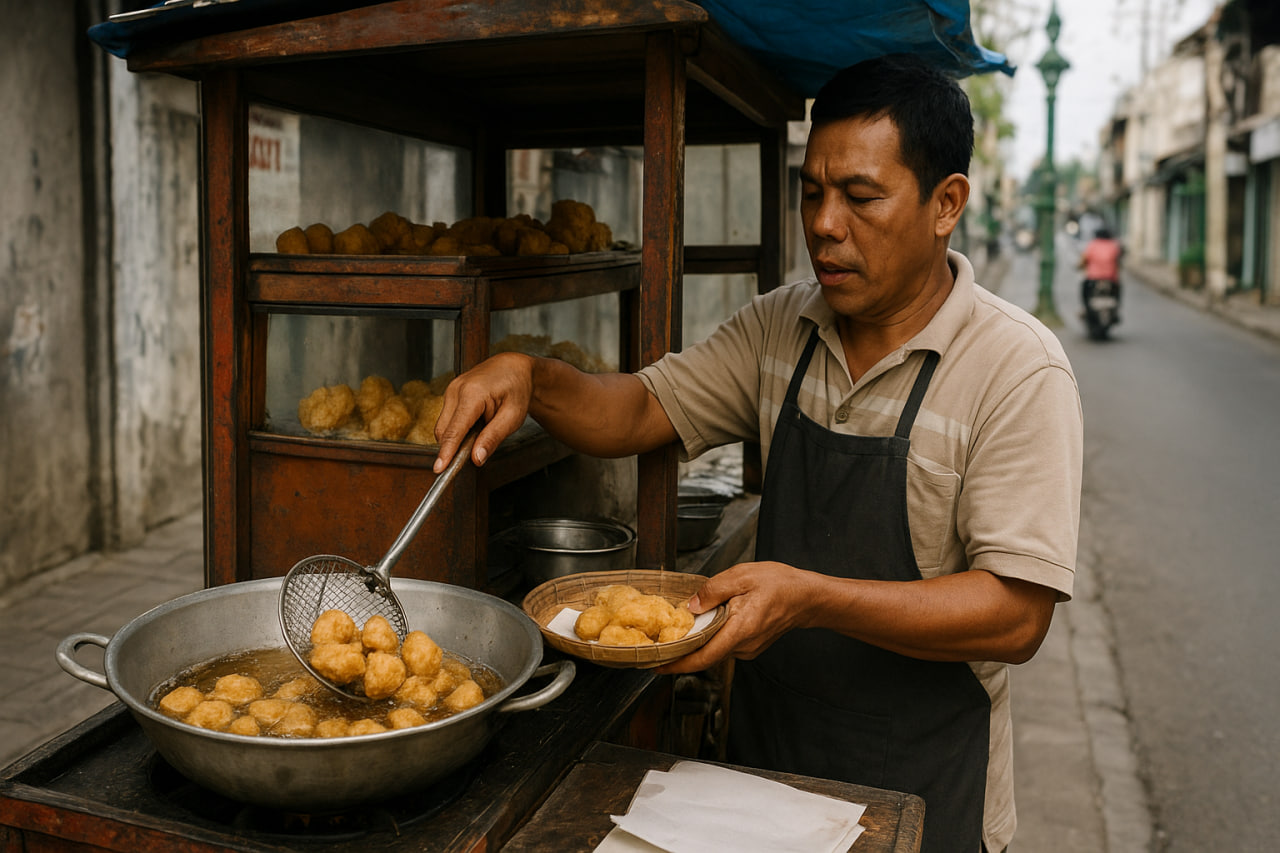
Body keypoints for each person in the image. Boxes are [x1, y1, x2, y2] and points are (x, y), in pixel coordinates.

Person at [433, 54, 1082, 853]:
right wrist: (528, 375)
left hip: (925, 782)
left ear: (947, 202)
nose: (824, 224)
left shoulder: (1016, 367)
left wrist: (810, 597)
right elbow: (638, 409)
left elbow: (1017, 614)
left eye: (861, 197)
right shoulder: (785, 327)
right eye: (811, 192)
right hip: (763, 775)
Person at [1078, 225, 1123, 318]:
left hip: (1093, 277)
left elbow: (1084, 260)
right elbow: (1118, 261)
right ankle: (1117, 310)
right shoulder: (1114, 246)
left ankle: (1085, 308)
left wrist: (1080, 266)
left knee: (1084, 289)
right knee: (1118, 290)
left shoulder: (1092, 245)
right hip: (1111, 278)